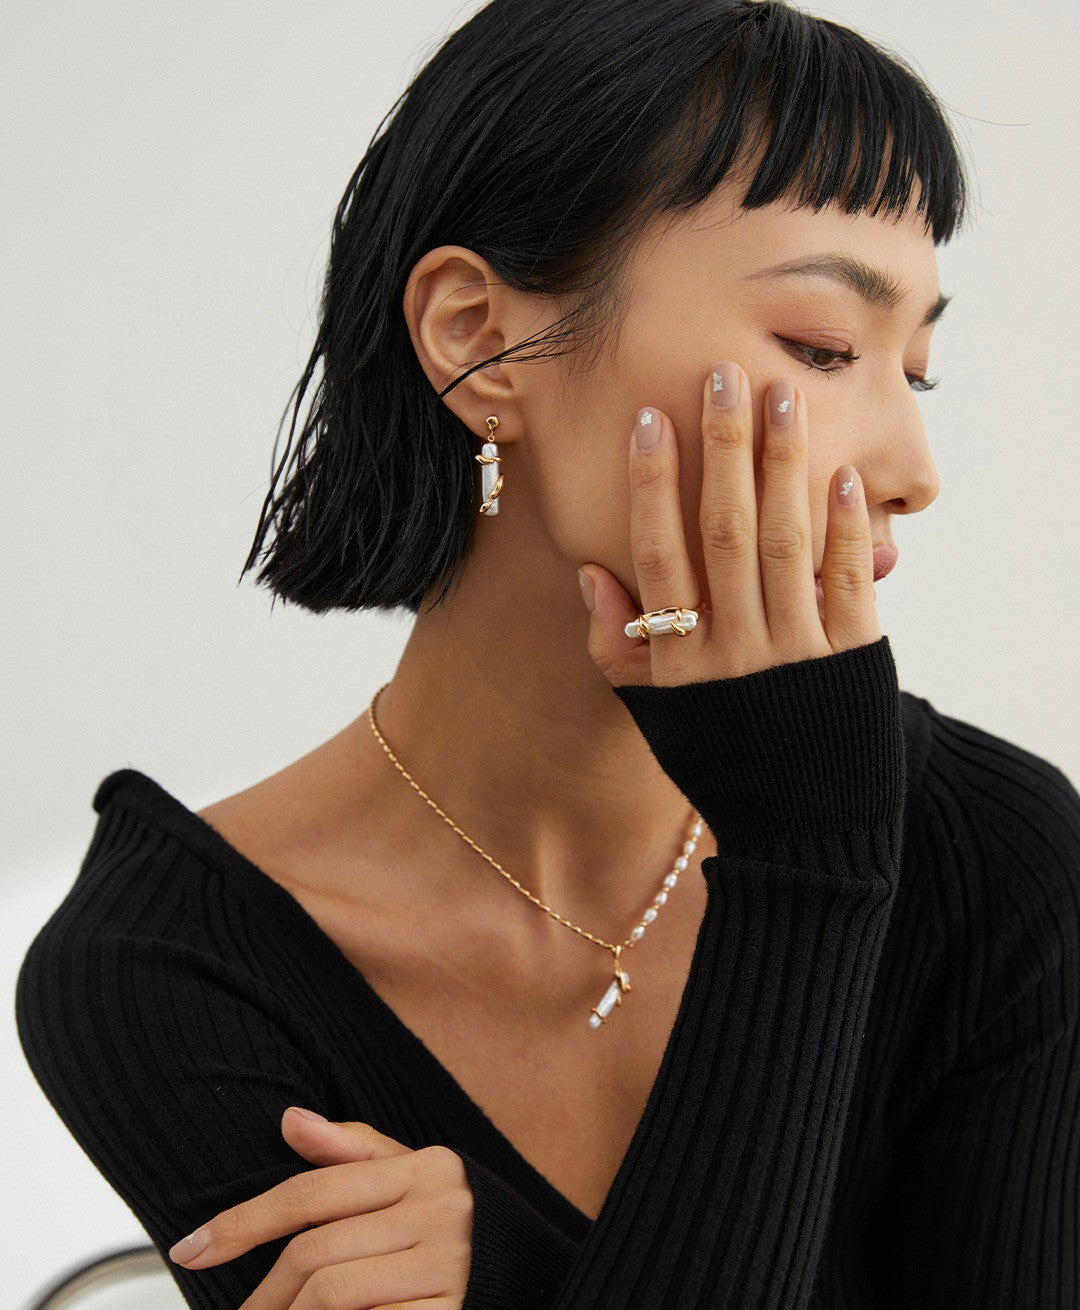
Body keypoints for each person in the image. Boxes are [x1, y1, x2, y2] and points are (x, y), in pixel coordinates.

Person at [16, 0, 1080, 1306]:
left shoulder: (1001, 857)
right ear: (477, 336)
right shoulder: (167, 967)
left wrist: (516, 1279)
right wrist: (810, 867)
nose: (913, 473)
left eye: (913, 370)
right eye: (823, 344)